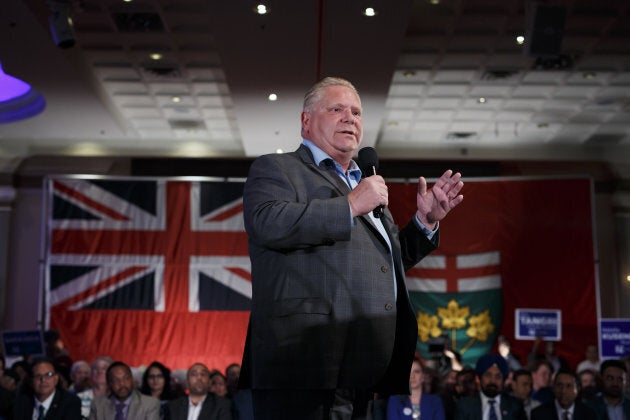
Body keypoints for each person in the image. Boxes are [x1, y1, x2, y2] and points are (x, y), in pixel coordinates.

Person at [238, 76, 464, 419]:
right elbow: (268, 223)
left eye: (356, 112)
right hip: (302, 362)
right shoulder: (277, 168)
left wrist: (425, 222)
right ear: (306, 121)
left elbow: (384, 262)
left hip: (362, 364)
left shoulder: (365, 184)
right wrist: (349, 205)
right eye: (337, 109)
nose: (350, 118)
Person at [454, 354, 526, 420]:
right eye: (488, 375)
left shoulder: (515, 406)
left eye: (498, 376)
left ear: (503, 380)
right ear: (480, 378)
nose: (493, 381)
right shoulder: (465, 406)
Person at [14, 358, 82, 419]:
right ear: (31, 381)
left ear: (56, 378)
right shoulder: (21, 403)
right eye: (38, 376)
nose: (43, 380)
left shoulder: (70, 402)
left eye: (48, 375)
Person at [90, 361, 160, 419]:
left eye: (126, 378)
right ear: (109, 384)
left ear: (132, 379)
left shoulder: (149, 404)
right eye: (115, 380)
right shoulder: (98, 404)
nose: (122, 384)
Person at [164, 363, 232, 420]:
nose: (199, 378)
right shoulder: (173, 406)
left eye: (203, 374)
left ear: (209, 382)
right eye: (194, 374)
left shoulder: (222, 405)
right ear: (187, 382)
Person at [530, 369, 595, 420]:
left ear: (578, 390)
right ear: (553, 388)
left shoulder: (588, 414)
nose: (564, 391)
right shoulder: (539, 414)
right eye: (559, 386)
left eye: (569, 386)